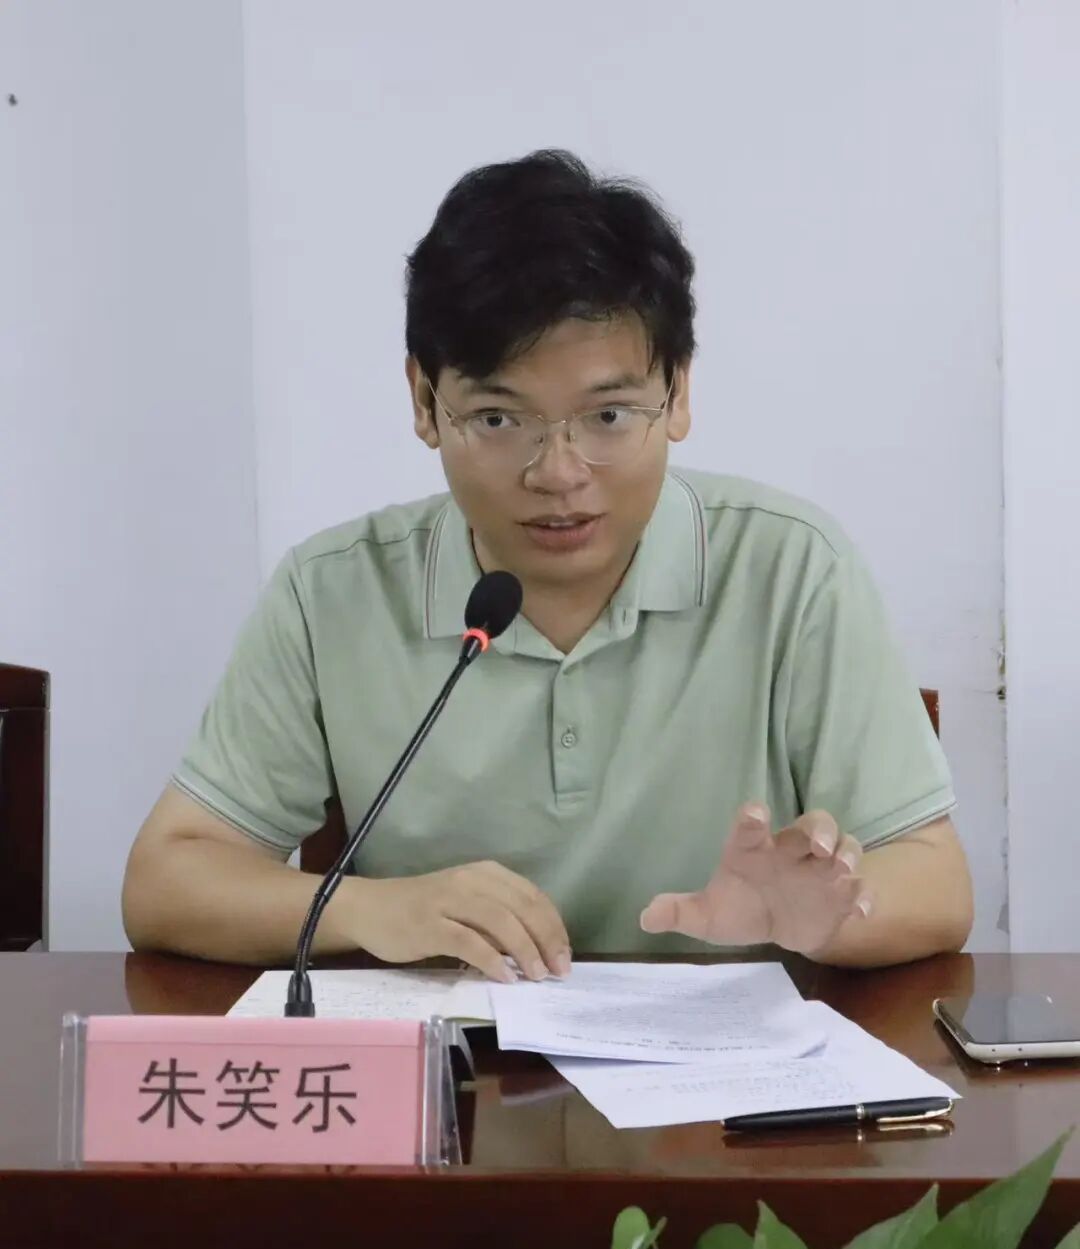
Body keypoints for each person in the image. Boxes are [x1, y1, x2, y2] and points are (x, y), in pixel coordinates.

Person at [122, 150, 973, 980]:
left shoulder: (792, 572)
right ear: (425, 400)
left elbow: (935, 880)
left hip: (726, 1069)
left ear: (677, 394)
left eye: (608, 415)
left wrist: (818, 921)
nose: (558, 473)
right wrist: (370, 909)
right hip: (458, 1065)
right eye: (500, 420)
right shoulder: (332, 594)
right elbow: (166, 880)